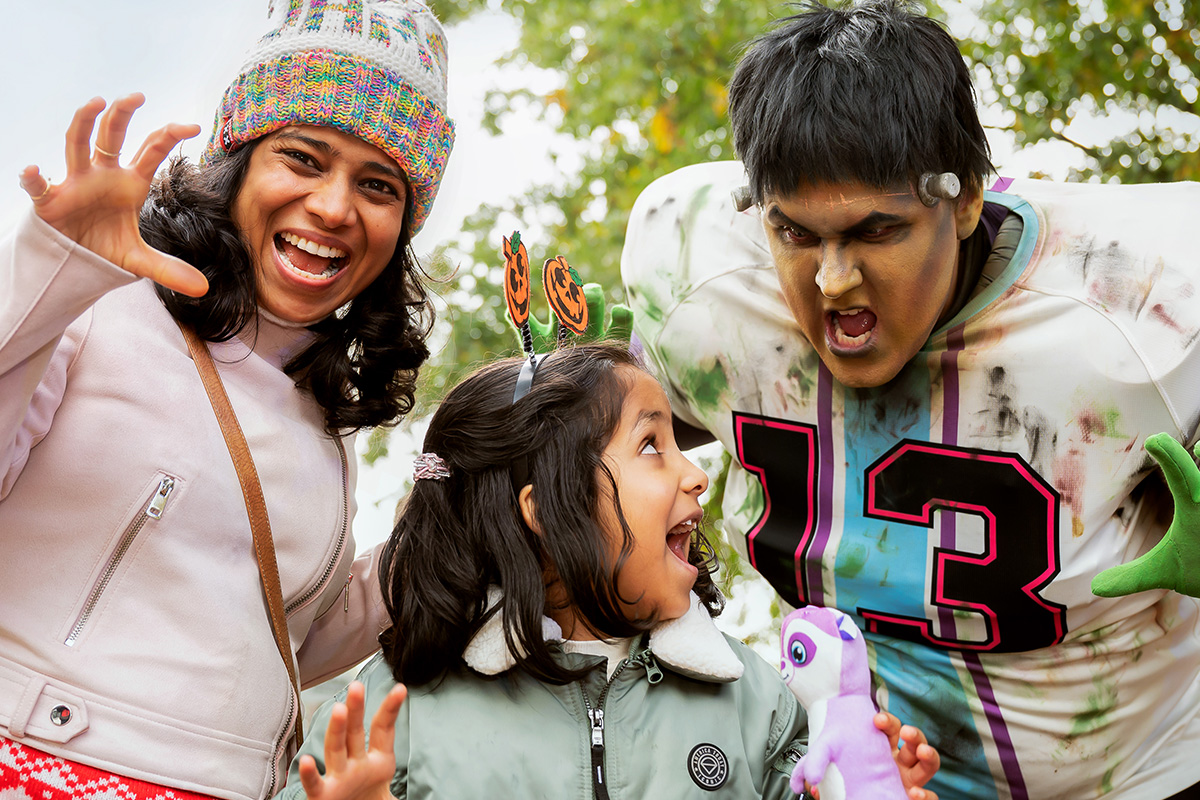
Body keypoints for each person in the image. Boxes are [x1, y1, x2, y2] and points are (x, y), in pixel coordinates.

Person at [619, 1, 1200, 799]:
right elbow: (634, 448)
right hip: (865, 775)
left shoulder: (1146, 302)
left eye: (876, 231)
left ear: (964, 201)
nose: (832, 279)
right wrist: (586, 404)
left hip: (1141, 773)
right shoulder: (700, 280)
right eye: (793, 233)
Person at [0, 1, 454, 798]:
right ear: (236, 161)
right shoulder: (100, 312)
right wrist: (56, 270)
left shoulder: (326, 424)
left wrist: (466, 499)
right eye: (305, 159)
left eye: (378, 184)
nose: (335, 207)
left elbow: (291, 639)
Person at [269, 343, 941, 799]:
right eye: (652, 445)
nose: (695, 474)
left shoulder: (754, 701)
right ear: (546, 508)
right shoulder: (398, 704)